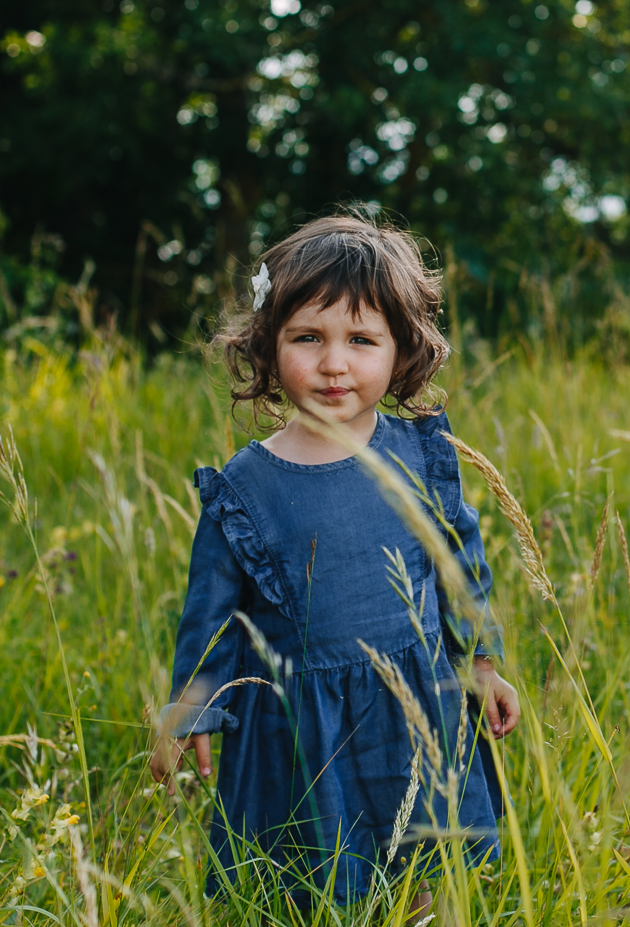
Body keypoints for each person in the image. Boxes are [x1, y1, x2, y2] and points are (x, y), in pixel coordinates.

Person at [150, 213, 520, 907]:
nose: (334, 363)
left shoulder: (419, 457)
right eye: (308, 338)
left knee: (420, 862)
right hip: (299, 722)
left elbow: (458, 565)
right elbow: (212, 611)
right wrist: (192, 705)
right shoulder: (247, 485)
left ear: (401, 350)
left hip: (411, 705)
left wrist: (481, 660)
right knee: (308, 874)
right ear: (267, 346)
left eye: (361, 340)